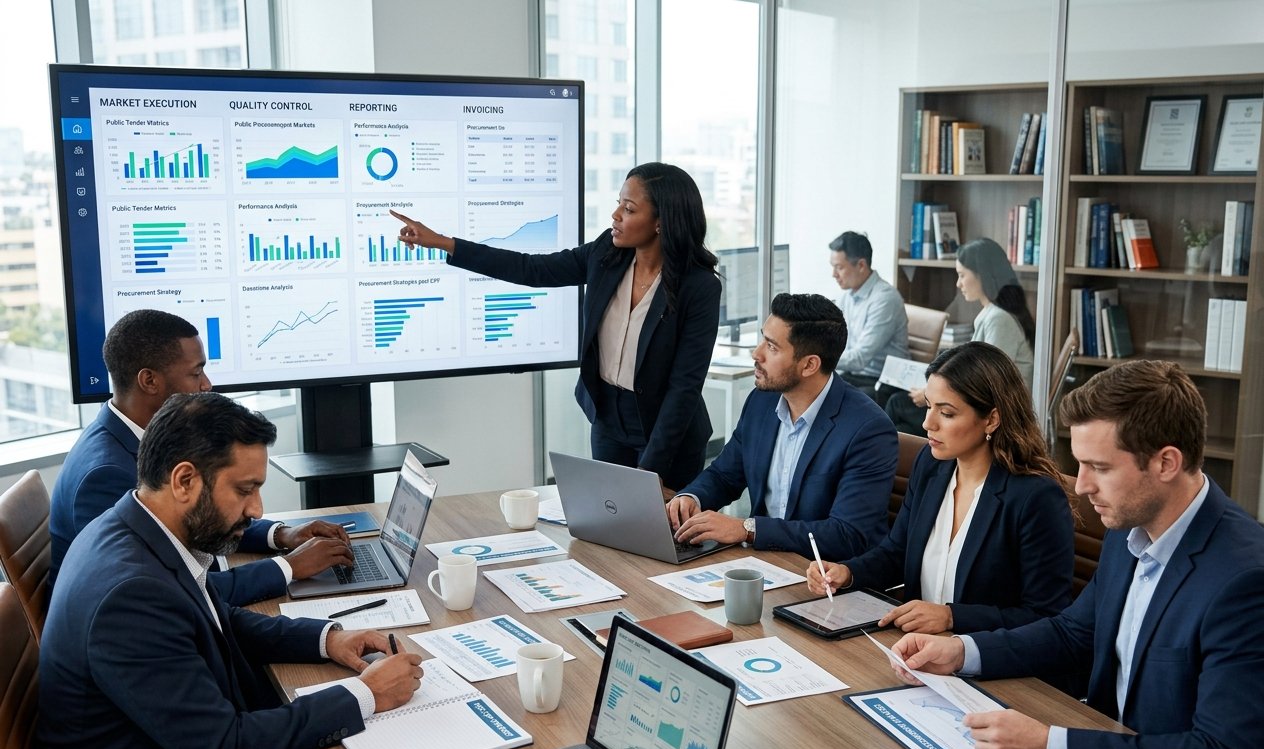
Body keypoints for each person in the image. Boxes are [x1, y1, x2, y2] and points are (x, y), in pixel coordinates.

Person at [38, 392, 425, 749]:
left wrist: (326, 639)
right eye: (245, 490)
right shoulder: (131, 596)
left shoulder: (136, 526)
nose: (258, 509)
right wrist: (366, 692)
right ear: (184, 480)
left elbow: (219, 618)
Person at [890, 360, 1264, 749]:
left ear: (1167, 462)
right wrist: (962, 651)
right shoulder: (1131, 526)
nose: (1082, 486)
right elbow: (1074, 632)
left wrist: (1048, 747)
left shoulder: (1244, 580)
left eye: (1098, 467)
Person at [391, 162, 720, 496]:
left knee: (664, 536)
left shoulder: (699, 287)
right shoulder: (608, 253)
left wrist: (648, 476)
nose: (615, 215)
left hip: (670, 433)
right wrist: (445, 243)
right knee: (611, 527)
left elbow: (684, 387)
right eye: (619, 203)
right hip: (608, 420)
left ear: (661, 222)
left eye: (629, 208)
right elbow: (533, 269)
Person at [48, 309, 351, 604]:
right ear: (149, 381)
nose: (207, 384)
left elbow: (201, 516)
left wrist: (282, 535)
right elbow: (176, 594)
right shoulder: (106, 474)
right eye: (195, 373)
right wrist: (290, 567)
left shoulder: (136, 435)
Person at [806, 342, 1074, 634]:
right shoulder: (933, 465)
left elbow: (1046, 617)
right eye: (929, 406)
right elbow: (897, 552)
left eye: (946, 413)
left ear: (992, 419)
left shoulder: (1035, 497)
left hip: (988, 664)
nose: (927, 423)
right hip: (915, 649)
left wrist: (952, 618)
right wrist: (848, 573)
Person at [667, 293, 898, 561]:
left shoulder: (868, 430)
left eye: (772, 347)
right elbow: (724, 474)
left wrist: (748, 529)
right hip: (766, 562)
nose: (756, 354)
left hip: (824, 576)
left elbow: (847, 534)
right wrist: (691, 498)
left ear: (810, 364)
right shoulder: (762, 401)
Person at [886, 237, 1035, 436]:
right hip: (979, 403)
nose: (958, 284)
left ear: (982, 275)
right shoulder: (995, 313)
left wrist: (930, 395)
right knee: (902, 427)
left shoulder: (1000, 319)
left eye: (962, 275)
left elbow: (987, 379)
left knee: (897, 405)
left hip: (995, 413)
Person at [829, 231, 909, 408]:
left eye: (839, 267)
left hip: (883, 382)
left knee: (833, 398)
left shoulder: (884, 299)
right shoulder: (846, 297)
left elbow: (859, 359)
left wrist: (820, 357)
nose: (834, 274)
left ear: (861, 265)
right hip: (856, 375)